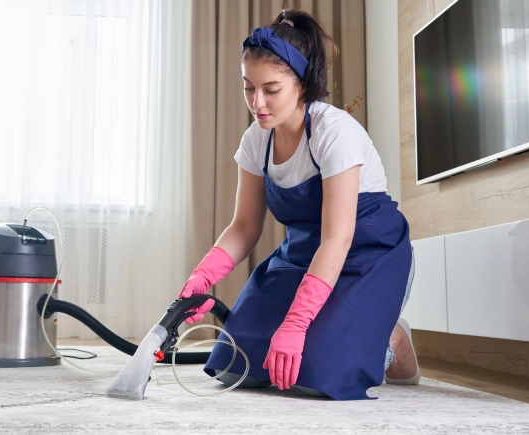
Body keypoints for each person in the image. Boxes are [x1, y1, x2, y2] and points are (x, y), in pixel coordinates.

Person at [179, 9, 420, 401]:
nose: (257, 102)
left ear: (303, 83)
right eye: (248, 87)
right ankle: (355, 327)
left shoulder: (334, 132)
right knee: (235, 366)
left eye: (271, 89)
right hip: (302, 255)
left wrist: (295, 323)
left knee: (318, 373)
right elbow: (244, 227)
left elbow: (338, 238)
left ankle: (390, 334)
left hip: (366, 254)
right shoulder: (256, 140)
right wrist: (202, 277)